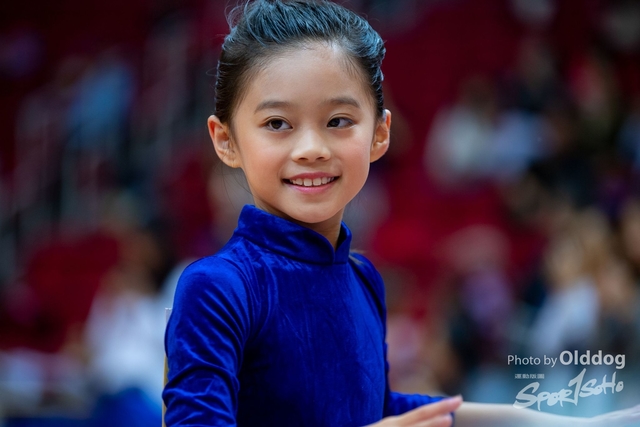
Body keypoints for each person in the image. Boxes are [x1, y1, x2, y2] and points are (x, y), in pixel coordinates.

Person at [162, 1, 640, 426]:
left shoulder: (363, 278)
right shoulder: (218, 288)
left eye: (338, 121)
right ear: (226, 140)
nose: (311, 148)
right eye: (277, 123)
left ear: (379, 134)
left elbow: (378, 408)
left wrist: (561, 422)